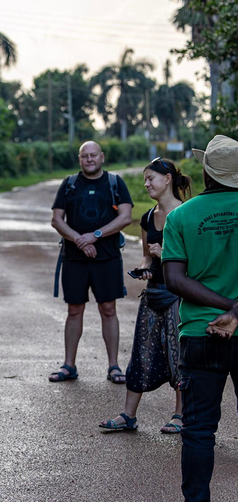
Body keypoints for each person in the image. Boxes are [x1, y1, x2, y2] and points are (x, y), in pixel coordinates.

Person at [162, 135, 238, 502]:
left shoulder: (180, 216)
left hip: (200, 334)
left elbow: (174, 279)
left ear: (206, 171)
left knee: (199, 430)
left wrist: (225, 308)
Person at [99, 158, 192, 432]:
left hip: (179, 297)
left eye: (151, 178)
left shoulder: (186, 214)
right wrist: (143, 269)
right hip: (153, 295)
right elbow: (145, 257)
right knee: (141, 354)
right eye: (145, 180)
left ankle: (180, 415)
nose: (147, 184)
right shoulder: (148, 217)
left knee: (179, 356)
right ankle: (128, 415)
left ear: (168, 179)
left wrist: (164, 256)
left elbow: (193, 262)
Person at [50, 141, 133, 383]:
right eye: (84, 156)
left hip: (107, 258)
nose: (89, 159)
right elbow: (57, 219)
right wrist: (79, 240)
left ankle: (114, 366)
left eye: (93, 155)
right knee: (74, 310)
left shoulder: (115, 183)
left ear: (102, 157)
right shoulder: (69, 184)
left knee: (108, 310)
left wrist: (95, 236)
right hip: (74, 258)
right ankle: (69, 365)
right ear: (79, 159)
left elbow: (126, 217)